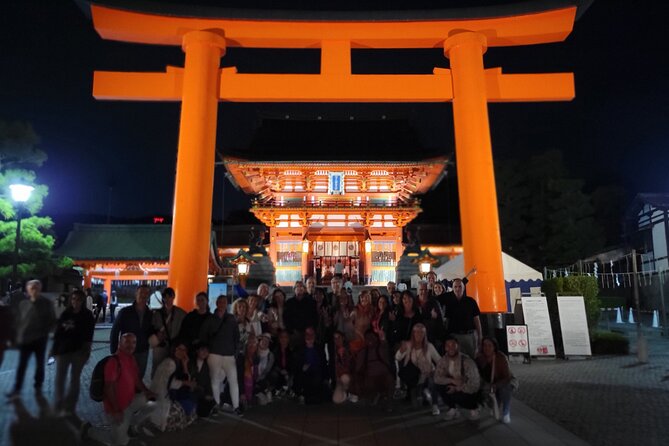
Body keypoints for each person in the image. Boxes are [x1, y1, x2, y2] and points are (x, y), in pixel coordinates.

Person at [85, 333, 157, 446]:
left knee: (154, 403)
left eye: (133, 342)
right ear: (120, 343)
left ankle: (130, 423)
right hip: (117, 408)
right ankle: (89, 431)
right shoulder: (114, 362)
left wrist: (146, 392)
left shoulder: (131, 358)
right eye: (127, 342)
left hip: (130, 402)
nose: (131, 345)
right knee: (120, 442)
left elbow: (136, 380)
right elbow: (109, 388)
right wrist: (116, 410)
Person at [7, 280, 56, 399]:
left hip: (40, 338)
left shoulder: (46, 303)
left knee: (40, 363)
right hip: (25, 338)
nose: (33, 289)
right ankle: (17, 388)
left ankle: (38, 386)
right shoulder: (23, 303)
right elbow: (19, 321)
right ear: (28, 289)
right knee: (22, 364)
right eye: (31, 287)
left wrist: (46, 332)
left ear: (39, 289)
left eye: (36, 287)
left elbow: (52, 320)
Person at [51, 289, 95, 415]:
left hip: (79, 351)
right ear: (71, 300)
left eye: (79, 299)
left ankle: (70, 405)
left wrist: (87, 351)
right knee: (60, 378)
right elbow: (58, 333)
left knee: (74, 379)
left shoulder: (87, 316)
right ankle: (58, 402)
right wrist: (54, 349)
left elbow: (89, 335)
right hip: (63, 350)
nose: (76, 302)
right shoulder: (66, 313)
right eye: (74, 299)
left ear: (83, 301)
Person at [199, 295, 243, 416]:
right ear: (217, 303)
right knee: (215, 379)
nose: (222, 304)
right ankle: (216, 405)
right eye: (220, 302)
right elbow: (203, 335)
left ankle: (236, 406)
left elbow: (236, 336)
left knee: (233, 380)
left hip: (229, 354)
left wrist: (235, 351)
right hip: (214, 353)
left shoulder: (231, 319)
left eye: (224, 302)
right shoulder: (210, 319)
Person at [149, 342, 197, 432]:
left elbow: (186, 379)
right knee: (181, 412)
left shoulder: (177, 362)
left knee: (191, 405)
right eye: (179, 349)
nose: (182, 352)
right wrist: (185, 383)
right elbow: (170, 383)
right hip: (162, 397)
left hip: (171, 395)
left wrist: (185, 364)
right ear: (174, 349)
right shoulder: (170, 363)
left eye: (184, 350)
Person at [110, 284, 153, 381]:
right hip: (126, 350)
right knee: (124, 377)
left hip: (143, 350)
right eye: (141, 292)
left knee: (139, 377)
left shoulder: (150, 314)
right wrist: (113, 351)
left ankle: (135, 394)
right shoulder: (125, 312)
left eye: (146, 293)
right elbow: (115, 331)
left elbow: (151, 331)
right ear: (136, 294)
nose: (143, 295)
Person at [434, 336, 481, 420]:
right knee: (439, 386)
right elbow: (437, 377)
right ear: (445, 348)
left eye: (453, 345)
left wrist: (457, 388)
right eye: (447, 345)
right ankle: (453, 408)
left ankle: (473, 408)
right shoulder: (443, 360)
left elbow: (475, 383)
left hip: (467, 389)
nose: (450, 348)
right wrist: (452, 380)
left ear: (458, 346)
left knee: (463, 395)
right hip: (454, 385)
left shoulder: (467, 361)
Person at [395, 323, 441, 407]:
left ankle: (432, 400)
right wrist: (401, 350)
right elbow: (397, 357)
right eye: (417, 332)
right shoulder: (408, 345)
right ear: (413, 333)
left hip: (427, 375)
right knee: (416, 404)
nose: (419, 334)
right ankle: (417, 392)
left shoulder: (429, 346)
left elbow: (439, 360)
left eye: (421, 332)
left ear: (425, 334)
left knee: (431, 387)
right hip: (414, 376)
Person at [476, 337, 516, 423]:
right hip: (488, 383)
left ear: (494, 347)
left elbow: (507, 377)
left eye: (490, 346)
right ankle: (492, 405)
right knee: (485, 393)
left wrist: (495, 385)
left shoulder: (501, 357)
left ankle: (506, 412)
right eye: (484, 345)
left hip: (503, 381)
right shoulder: (480, 358)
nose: (487, 348)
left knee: (505, 390)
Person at [353, 330, 394, 410]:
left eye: (372, 337)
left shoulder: (382, 348)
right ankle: (376, 395)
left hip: (384, 374)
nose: (370, 340)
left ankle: (389, 401)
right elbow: (358, 368)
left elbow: (386, 346)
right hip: (371, 376)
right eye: (367, 338)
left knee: (390, 380)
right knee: (369, 385)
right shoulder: (363, 352)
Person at [150, 287, 187, 377]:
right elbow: (152, 327)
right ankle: (155, 385)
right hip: (160, 344)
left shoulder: (181, 313)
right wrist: (157, 333)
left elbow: (185, 329)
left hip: (175, 345)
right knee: (157, 365)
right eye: (165, 297)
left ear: (173, 297)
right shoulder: (157, 313)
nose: (167, 299)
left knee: (173, 366)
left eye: (169, 296)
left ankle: (170, 386)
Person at [443, 278, 482, 359]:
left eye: (460, 286)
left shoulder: (471, 301)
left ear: (463, 288)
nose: (457, 289)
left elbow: (477, 320)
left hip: (469, 336)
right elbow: (447, 321)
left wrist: (480, 336)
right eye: (455, 287)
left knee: (472, 360)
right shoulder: (449, 303)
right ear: (452, 289)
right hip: (454, 337)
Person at [293, 326, 328, 404]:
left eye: (311, 334)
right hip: (304, 373)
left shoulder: (319, 348)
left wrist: (326, 377)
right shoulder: (299, 348)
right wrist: (302, 367)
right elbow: (295, 364)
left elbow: (324, 363)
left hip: (317, 373)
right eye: (307, 334)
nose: (309, 336)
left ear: (315, 335)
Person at [283, 281, 318, 348]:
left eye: (302, 287)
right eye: (297, 287)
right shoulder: (289, 302)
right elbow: (286, 318)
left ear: (304, 289)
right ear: (294, 289)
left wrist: (310, 330)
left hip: (307, 333)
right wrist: (292, 330)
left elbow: (314, 317)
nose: (300, 288)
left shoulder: (311, 302)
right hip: (294, 333)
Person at [269, 329, 294, 396]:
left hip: (288, 373)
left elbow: (293, 364)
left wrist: (288, 372)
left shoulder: (292, 350)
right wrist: (281, 370)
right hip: (279, 372)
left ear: (288, 339)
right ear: (279, 339)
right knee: (274, 375)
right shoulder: (275, 350)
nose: (283, 339)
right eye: (282, 337)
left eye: (285, 337)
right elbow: (274, 364)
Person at [331, 330, 352, 404]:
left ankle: (349, 391)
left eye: (338, 337)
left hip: (347, 377)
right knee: (336, 400)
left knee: (345, 378)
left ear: (343, 338)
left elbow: (350, 365)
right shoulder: (332, 351)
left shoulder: (349, 349)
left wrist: (343, 356)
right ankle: (346, 395)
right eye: (335, 338)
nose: (337, 340)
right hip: (338, 380)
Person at [254, 333, 275, 405]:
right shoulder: (254, 350)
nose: (265, 342)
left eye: (267, 341)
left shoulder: (270, 355)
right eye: (263, 340)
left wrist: (259, 378)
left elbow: (267, 370)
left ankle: (266, 392)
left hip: (262, 377)